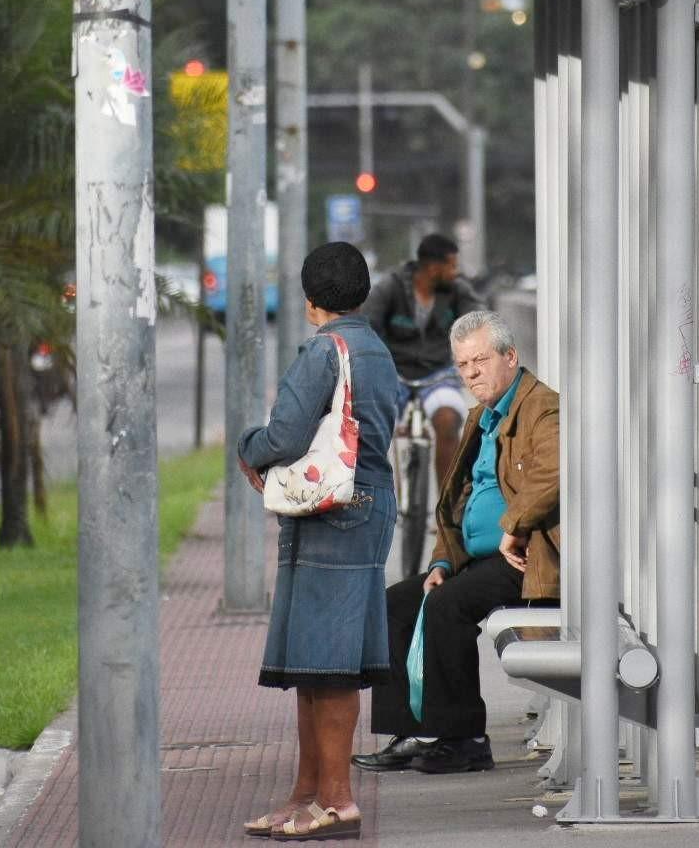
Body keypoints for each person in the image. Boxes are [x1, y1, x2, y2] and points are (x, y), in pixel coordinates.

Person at [238, 241, 401, 841]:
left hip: (335, 513)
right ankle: (305, 796)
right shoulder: (376, 350)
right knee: (315, 661)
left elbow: (284, 433)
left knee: (329, 665)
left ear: (311, 303)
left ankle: (336, 801)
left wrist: (248, 447)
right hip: (369, 505)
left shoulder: (322, 350)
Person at [352, 309, 559, 775]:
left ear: (511, 356)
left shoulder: (543, 408)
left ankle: (465, 739)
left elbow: (554, 471)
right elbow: (453, 504)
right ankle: (413, 732)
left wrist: (515, 524)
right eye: (463, 365)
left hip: (527, 559)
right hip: (478, 558)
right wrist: (443, 559)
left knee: (447, 607)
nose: (472, 373)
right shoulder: (480, 418)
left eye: (481, 361)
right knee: (396, 603)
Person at [361, 232, 484, 509]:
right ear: (434, 267)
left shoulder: (457, 291)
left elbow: (479, 318)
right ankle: (371, 500)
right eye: (452, 265)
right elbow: (366, 325)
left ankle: (448, 507)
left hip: (438, 375)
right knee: (371, 428)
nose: (456, 272)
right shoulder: (390, 287)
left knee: (449, 421)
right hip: (394, 374)